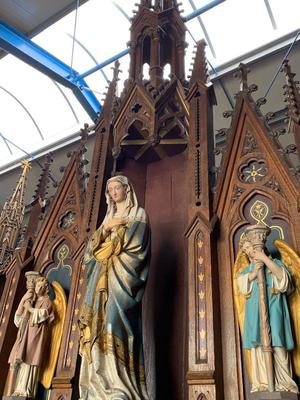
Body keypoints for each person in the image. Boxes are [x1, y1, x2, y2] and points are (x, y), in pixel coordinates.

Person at [79, 175, 150, 400]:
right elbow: (89, 255)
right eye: (109, 190)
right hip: (100, 280)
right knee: (96, 324)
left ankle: (119, 385)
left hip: (121, 280)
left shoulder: (138, 214)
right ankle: (97, 383)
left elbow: (137, 247)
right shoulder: (107, 219)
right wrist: (106, 229)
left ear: (126, 190)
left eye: (116, 188)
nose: (113, 192)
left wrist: (112, 241)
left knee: (112, 322)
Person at [237, 237, 298, 393]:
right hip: (255, 316)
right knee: (258, 347)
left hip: (275, 313)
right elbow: (241, 285)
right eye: (246, 250)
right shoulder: (247, 270)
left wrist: (264, 259)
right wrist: (254, 272)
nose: (249, 251)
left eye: (250, 247)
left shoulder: (276, 265)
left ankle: (285, 384)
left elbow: (284, 282)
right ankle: (263, 384)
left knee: (278, 345)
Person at [8, 276, 54, 398]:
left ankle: (27, 390)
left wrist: (30, 309)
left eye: (41, 286)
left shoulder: (47, 301)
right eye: (37, 286)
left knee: (31, 360)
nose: (38, 288)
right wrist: (24, 303)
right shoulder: (32, 301)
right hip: (27, 335)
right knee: (23, 361)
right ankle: (18, 389)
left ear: (45, 288)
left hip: (37, 335)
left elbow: (44, 314)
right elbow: (19, 321)